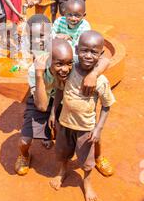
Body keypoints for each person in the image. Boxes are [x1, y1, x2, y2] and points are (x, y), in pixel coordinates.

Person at [15, 29, 111, 176]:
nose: (65, 69)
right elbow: (41, 106)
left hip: (65, 100)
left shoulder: (72, 56)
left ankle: (97, 156)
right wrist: (40, 75)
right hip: (42, 99)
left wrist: (93, 74)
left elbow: (104, 59)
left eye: (69, 64)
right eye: (59, 64)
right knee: (24, 141)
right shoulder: (35, 71)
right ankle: (25, 155)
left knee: (89, 130)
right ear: (48, 61)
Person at [49, 31, 115, 201]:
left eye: (94, 52)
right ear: (77, 50)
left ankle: (87, 181)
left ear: (100, 54)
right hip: (65, 123)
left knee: (86, 160)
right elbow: (59, 91)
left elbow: (107, 105)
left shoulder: (100, 81)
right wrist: (52, 113)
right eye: (84, 50)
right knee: (63, 151)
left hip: (85, 128)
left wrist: (98, 128)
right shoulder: (69, 70)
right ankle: (62, 171)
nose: (88, 55)